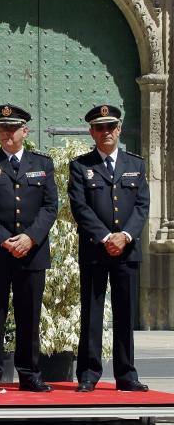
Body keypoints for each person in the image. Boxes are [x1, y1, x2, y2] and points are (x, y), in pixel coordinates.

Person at [0, 103, 58, 393]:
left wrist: (30, 238)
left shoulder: (42, 164)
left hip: (32, 252)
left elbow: (50, 207)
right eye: (2, 128)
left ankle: (30, 373)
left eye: (13, 128)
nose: (7, 133)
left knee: (29, 314)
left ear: (25, 130)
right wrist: (4, 239)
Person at [69, 105, 150, 392]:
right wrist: (106, 237)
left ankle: (126, 374)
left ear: (119, 129)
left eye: (110, 127)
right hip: (94, 249)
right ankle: (89, 374)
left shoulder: (136, 165)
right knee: (91, 313)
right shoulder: (80, 166)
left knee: (125, 313)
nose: (105, 132)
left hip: (127, 251)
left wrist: (125, 236)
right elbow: (80, 207)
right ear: (92, 132)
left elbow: (142, 206)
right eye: (99, 128)